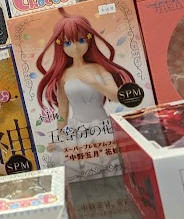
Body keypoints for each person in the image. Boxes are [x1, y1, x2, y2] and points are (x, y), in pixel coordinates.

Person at [36, 9, 135, 177]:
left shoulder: (99, 68)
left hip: (103, 128)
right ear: (60, 45)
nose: (75, 47)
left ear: (89, 40)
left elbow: (116, 96)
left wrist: (95, 83)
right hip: (77, 130)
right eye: (68, 43)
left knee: (113, 170)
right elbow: (63, 112)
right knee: (80, 173)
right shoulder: (63, 76)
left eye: (81, 40)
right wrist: (59, 137)